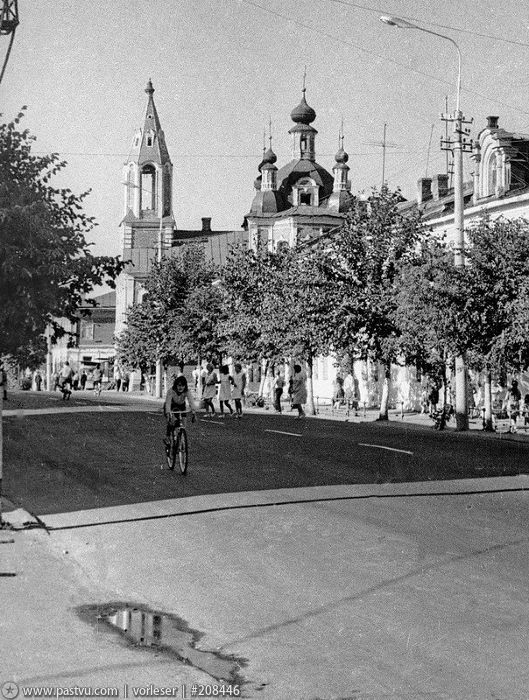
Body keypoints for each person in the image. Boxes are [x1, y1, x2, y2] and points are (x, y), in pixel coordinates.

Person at [163, 375, 197, 447]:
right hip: (171, 406)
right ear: (176, 385)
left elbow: (191, 401)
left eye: (183, 385)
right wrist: (168, 413)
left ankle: (183, 439)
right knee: (172, 421)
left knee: (183, 423)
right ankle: (168, 436)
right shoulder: (171, 391)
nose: (180, 387)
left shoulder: (186, 391)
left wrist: (194, 412)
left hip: (181, 406)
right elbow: (168, 403)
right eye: (179, 385)